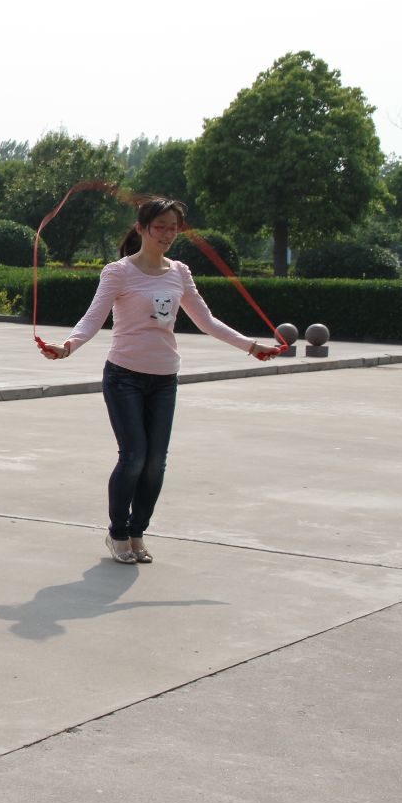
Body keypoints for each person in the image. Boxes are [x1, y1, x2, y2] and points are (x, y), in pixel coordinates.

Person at [37, 197, 277, 565]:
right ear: (141, 228)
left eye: (173, 228)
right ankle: (118, 534)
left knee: (155, 463)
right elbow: (93, 318)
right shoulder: (118, 272)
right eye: (159, 227)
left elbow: (207, 321)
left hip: (164, 378)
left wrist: (251, 346)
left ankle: (137, 533)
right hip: (124, 377)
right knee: (134, 457)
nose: (166, 234)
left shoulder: (179, 272)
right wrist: (68, 346)